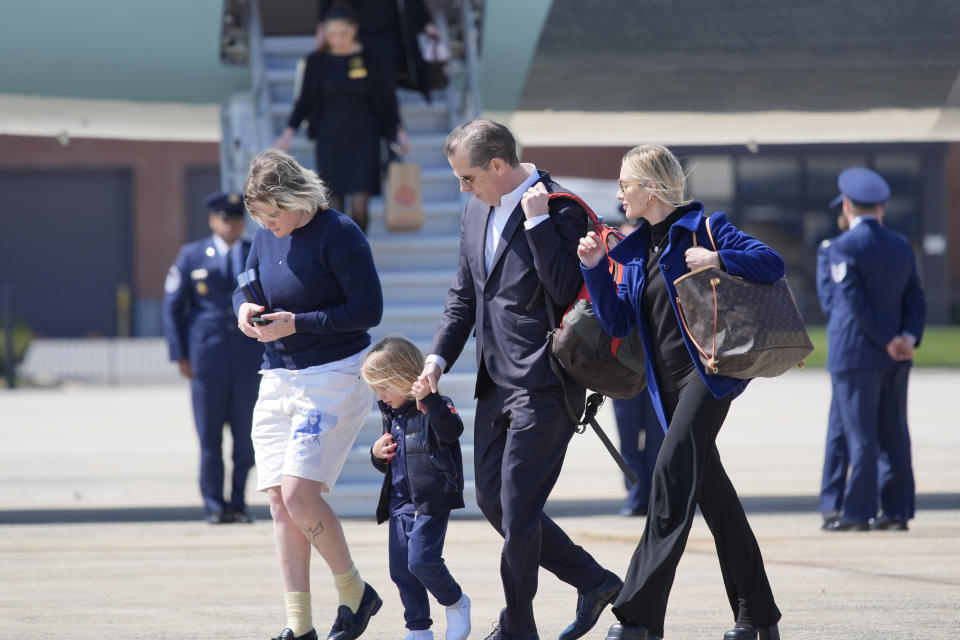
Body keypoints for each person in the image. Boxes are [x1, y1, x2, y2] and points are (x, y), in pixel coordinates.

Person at [418, 119, 622, 640]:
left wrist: (535, 227)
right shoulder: (475, 209)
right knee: (495, 501)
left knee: (521, 508)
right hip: (495, 380)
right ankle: (592, 581)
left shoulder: (560, 208)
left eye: (468, 178)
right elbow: (465, 295)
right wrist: (437, 361)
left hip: (546, 381)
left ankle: (517, 627)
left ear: (497, 166)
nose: (464, 189)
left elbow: (567, 290)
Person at [578, 144, 782, 640]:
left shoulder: (706, 228)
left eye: (626, 184)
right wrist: (595, 269)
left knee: (668, 481)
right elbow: (620, 321)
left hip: (709, 377)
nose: (620, 193)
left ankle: (638, 617)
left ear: (651, 188)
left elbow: (770, 263)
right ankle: (758, 617)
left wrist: (718, 257)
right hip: (664, 386)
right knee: (716, 499)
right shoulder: (634, 249)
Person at [234, 149, 384, 640]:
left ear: (298, 199)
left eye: (274, 215)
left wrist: (296, 323)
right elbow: (245, 284)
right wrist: (244, 311)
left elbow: (367, 310)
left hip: (332, 375)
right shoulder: (264, 233)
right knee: (279, 500)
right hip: (277, 376)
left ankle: (354, 591)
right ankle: (299, 625)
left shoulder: (339, 233)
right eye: (258, 216)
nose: (267, 225)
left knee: (300, 493)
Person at [816, 166, 926, 532]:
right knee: (894, 433)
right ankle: (896, 512)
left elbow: (853, 303)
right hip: (896, 354)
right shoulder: (900, 245)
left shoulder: (842, 248)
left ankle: (856, 513)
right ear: (880, 207)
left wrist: (886, 340)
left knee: (860, 437)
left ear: (846, 205)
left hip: (857, 353)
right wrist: (905, 338)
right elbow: (916, 298)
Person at [162, 190, 263, 524]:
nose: (230, 224)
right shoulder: (191, 256)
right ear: (212, 219)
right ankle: (214, 505)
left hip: (248, 359)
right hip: (206, 358)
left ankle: (238, 502)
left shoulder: (254, 252)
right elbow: (172, 308)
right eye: (224, 217)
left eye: (235, 218)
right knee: (209, 439)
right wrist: (180, 354)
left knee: (245, 440)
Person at [361, 336, 472, 640]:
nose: (380, 397)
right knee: (401, 570)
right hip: (399, 504)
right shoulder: (392, 416)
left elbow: (452, 431)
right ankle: (419, 629)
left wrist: (431, 400)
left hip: (430, 501)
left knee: (422, 561)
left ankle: (456, 602)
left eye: (383, 387)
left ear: (402, 376)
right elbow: (394, 463)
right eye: (376, 391)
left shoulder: (435, 405)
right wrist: (376, 454)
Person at [277, 3, 407, 233]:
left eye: (344, 34)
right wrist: (288, 132)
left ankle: (358, 249)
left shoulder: (370, 59)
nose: (338, 40)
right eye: (333, 34)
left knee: (360, 204)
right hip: (330, 140)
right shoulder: (317, 62)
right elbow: (304, 101)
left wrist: (398, 131)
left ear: (355, 29)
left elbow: (387, 99)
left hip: (364, 138)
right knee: (334, 205)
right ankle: (339, 256)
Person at [315, 0, 439, 102]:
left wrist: (427, 23)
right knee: (361, 77)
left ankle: (394, 125)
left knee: (387, 80)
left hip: (390, 32)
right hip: (360, 31)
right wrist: (322, 26)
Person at [611, 392, 664, 517]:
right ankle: (636, 498)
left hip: (658, 377)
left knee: (658, 442)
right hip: (624, 376)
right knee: (628, 441)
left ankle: (657, 497)